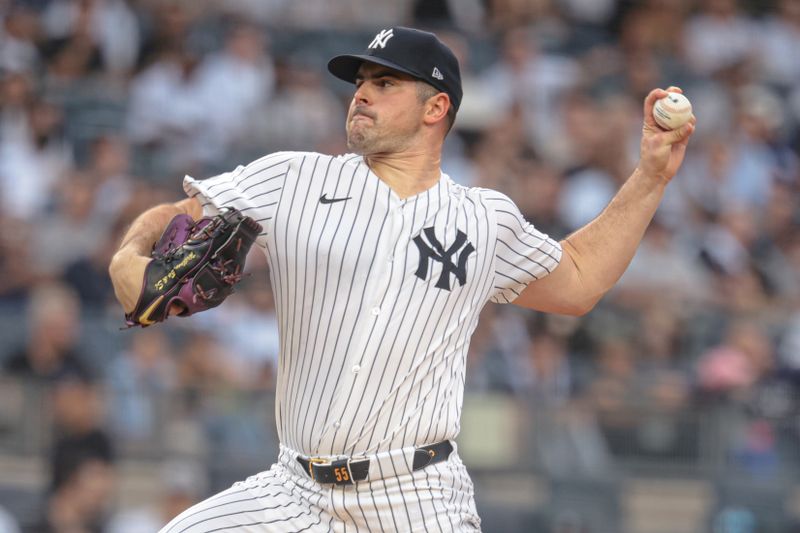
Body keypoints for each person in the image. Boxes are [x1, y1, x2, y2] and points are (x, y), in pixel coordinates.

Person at [109, 26, 695, 532]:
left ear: (435, 108)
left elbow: (579, 282)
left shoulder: (484, 219)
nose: (361, 93)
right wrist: (129, 253)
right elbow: (177, 217)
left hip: (415, 498)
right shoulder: (293, 180)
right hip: (292, 491)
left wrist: (649, 176)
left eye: (385, 83)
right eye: (360, 82)